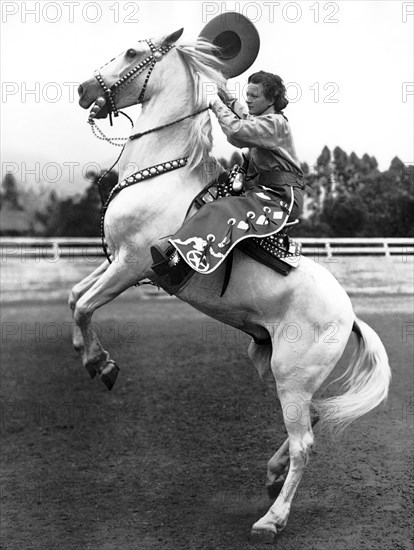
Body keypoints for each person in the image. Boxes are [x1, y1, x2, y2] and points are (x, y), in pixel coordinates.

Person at [151, 70, 304, 282]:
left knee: (221, 208)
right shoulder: (262, 120)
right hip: (264, 191)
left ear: (271, 99)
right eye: (247, 94)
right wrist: (215, 83)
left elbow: (236, 131)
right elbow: (240, 110)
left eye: (254, 96)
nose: (248, 100)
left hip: (282, 196)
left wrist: (215, 103)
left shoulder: (275, 124)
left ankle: (182, 262)